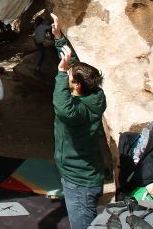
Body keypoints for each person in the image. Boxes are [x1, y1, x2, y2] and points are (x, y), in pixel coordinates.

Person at [51, 13, 106, 229]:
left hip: (79, 182)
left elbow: (62, 107)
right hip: (84, 175)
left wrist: (59, 73)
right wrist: (59, 38)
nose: (67, 75)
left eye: (69, 78)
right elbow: (73, 65)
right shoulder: (95, 96)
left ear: (76, 86)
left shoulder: (75, 113)